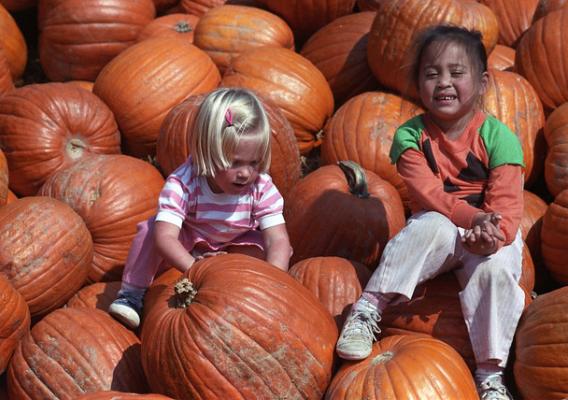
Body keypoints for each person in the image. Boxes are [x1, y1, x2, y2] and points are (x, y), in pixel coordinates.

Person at [335, 25, 524, 400]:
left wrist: (493, 235)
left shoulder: (500, 138)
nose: (444, 83)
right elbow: (430, 194)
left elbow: (507, 204)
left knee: (499, 268)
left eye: (457, 73)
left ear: (483, 82)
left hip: (488, 231)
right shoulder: (409, 137)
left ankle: (489, 374)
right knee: (429, 226)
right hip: (444, 228)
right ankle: (368, 309)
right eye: (431, 73)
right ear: (417, 83)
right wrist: (472, 220)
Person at [108, 87, 293, 330]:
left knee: (276, 251)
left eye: (254, 162)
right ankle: (131, 294)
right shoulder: (184, 183)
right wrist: (196, 268)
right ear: (208, 152)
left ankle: (250, 296)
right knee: (149, 232)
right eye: (234, 162)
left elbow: (277, 239)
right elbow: (165, 238)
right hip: (189, 244)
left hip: (234, 244)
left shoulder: (260, 186)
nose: (246, 173)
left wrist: (273, 280)